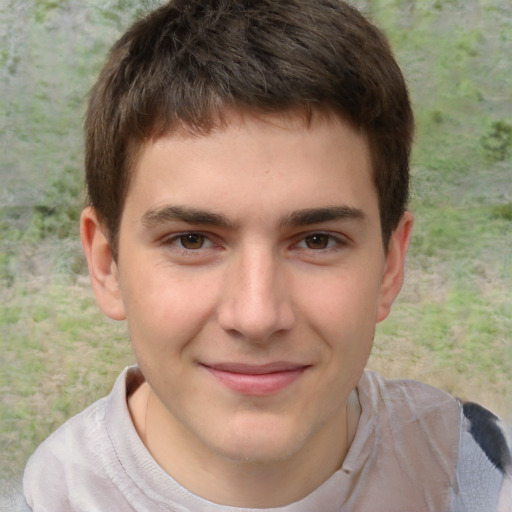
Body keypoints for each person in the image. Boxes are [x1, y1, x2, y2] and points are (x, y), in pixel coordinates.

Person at [22, 0, 511, 510]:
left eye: (317, 240)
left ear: (390, 266)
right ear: (106, 265)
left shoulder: (479, 469)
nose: (256, 316)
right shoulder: (51, 496)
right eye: (192, 240)